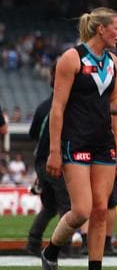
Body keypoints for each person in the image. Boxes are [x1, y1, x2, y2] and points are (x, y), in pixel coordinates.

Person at [38, 7, 117, 270]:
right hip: (74, 142)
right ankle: (51, 253)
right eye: (116, 28)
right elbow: (57, 108)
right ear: (101, 29)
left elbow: (112, 106)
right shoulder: (71, 58)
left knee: (101, 209)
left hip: (102, 142)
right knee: (81, 210)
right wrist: (54, 151)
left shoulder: (113, 61)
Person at [25, 77, 70, 256]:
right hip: (55, 160)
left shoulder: (43, 106)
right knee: (66, 206)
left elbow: (32, 133)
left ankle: (33, 242)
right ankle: (63, 248)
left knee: (50, 205)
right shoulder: (64, 107)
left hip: (41, 160)